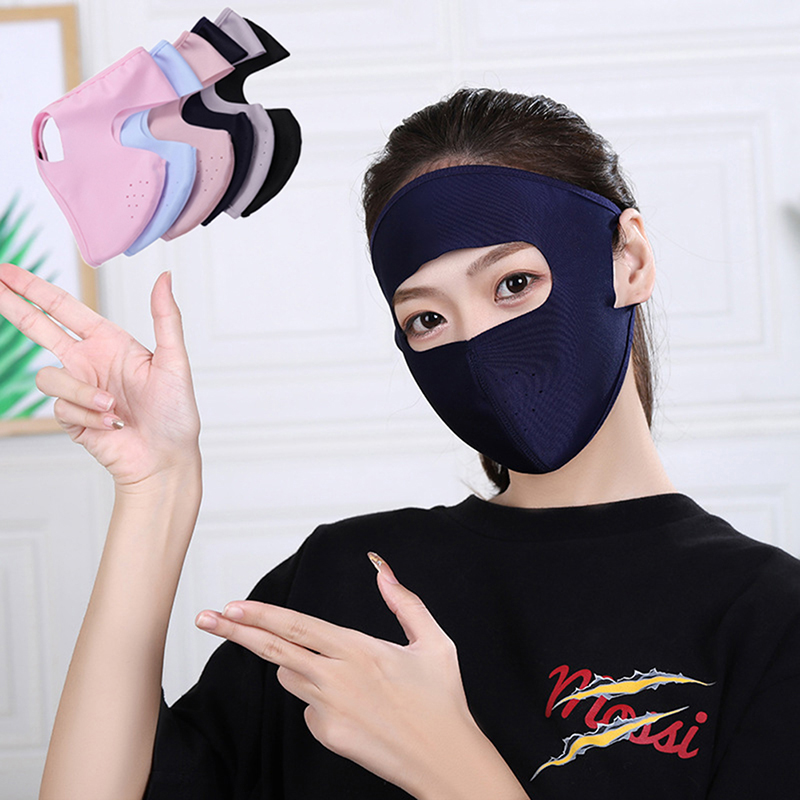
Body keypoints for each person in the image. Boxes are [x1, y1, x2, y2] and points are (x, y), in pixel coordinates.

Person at [1, 88, 798, 800]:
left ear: (630, 260)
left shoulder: (769, 619)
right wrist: (157, 486)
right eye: (428, 318)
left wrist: (449, 764)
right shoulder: (344, 582)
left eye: (513, 284)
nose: (477, 345)